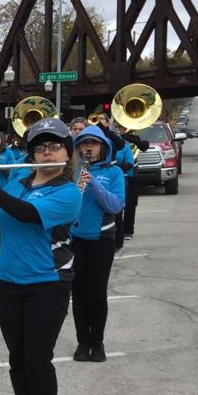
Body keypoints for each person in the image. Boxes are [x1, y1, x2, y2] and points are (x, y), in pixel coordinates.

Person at [0, 118, 83, 395]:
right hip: (6, 284)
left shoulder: (68, 192)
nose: (46, 151)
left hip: (46, 286)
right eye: (39, 146)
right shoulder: (17, 183)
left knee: (38, 361)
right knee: (18, 362)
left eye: (54, 146)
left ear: (67, 153)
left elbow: (26, 215)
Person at [69, 125, 125, 363]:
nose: (88, 147)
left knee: (96, 293)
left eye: (93, 143)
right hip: (75, 239)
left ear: (103, 147)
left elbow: (115, 206)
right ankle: (83, 342)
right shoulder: (71, 172)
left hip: (101, 240)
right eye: (83, 143)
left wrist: (93, 183)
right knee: (78, 293)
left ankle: (98, 342)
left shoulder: (114, 174)